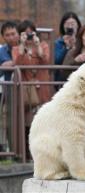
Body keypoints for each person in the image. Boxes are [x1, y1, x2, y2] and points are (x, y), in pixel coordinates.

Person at [12, 20, 52, 159]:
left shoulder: (43, 45)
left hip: (42, 89)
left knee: (43, 121)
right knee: (28, 122)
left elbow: (46, 60)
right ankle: (27, 155)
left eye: (31, 33)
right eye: (25, 33)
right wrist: (22, 45)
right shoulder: (17, 48)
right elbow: (16, 63)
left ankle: (45, 154)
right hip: (27, 91)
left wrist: (37, 45)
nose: (28, 36)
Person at [0, 20, 19, 153]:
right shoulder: (2, 51)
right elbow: (4, 67)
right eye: (7, 35)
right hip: (7, 91)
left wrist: (13, 63)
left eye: (13, 33)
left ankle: (23, 151)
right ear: (3, 37)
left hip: (26, 91)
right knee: (6, 122)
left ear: (18, 33)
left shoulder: (27, 46)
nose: (11, 37)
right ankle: (8, 151)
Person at [54, 12, 81, 87]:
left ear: (78, 25)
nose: (70, 26)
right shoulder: (58, 43)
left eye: (72, 23)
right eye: (67, 23)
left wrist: (75, 45)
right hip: (62, 81)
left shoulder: (82, 41)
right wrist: (66, 47)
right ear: (62, 26)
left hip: (79, 79)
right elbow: (57, 61)